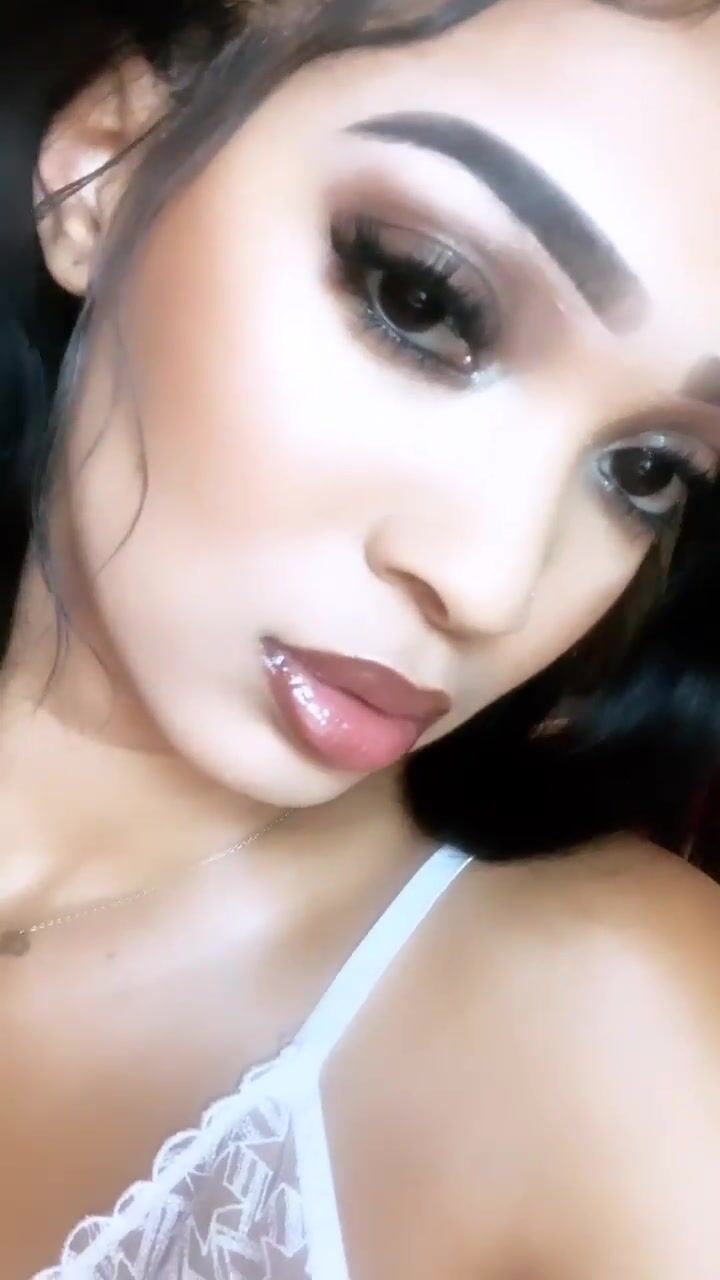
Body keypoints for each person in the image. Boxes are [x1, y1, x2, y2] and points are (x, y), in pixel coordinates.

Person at [1, 0, 720, 1274]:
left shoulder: (623, 1040)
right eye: (422, 298)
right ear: (105, 161)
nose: (489, 584)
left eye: (648, 468)